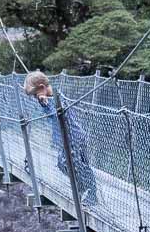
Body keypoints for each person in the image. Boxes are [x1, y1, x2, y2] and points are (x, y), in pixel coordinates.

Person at [23, 70, 97, 206]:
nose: (35, 98)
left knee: (79, 165)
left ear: (42, 87)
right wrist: (43, 104)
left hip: (74, 137)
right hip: (66, 138)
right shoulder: (49, 99)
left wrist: (45, 104)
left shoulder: (57, 98)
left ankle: (91, 192)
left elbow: (58, 115)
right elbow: (51, 114)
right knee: (63, 164)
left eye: (35, 95)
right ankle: (81, 187)